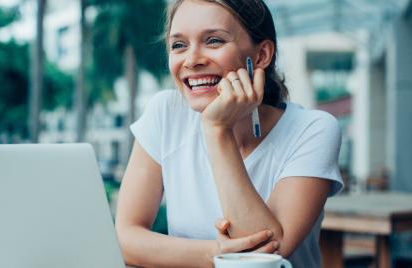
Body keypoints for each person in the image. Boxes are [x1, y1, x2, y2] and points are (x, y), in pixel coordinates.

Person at [115, 0, 343, 267]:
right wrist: (213, 254)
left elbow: (262, 259)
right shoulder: (165, 113)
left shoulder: (313, 130)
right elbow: (125, 238)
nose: (192, 60)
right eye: (179, 45)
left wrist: (217, 130)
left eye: (213, 41)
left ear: (261, 56)